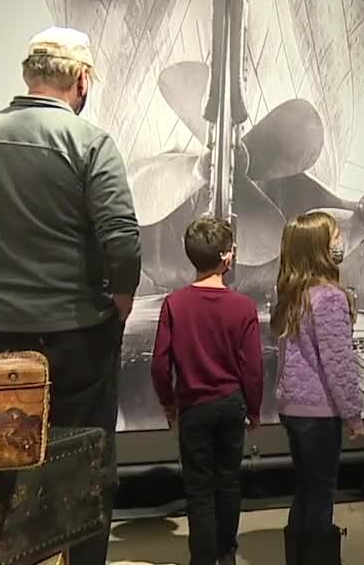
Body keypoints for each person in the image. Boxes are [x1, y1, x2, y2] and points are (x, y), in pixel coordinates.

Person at [0, 26, 141, 565]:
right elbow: (121, 239)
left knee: (4, 469)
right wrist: (120, 302)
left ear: (29, 74)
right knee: (85, 470)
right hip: (78, 338)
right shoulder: (90, 143)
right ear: (81, 79)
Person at [150, 216, 263, 565]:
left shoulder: (174, 304)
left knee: (198, 488)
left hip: (193, 407)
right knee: (228, 481)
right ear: (227, 258)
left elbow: (159, 364)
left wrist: (169, 404)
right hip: (231, 405)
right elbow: (254, 369)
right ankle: (227, 552)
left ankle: (202, 558)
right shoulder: (243, 307)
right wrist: (254, 410)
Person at [273, 212, 364, 565]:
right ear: (320, 249)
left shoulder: (290, 295)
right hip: (319, 413)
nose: (340, 243)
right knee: (321, 494)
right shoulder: (329, 298)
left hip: (293, 410)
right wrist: (353, 415)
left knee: (305, 491)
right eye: (336, 236)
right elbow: (338, 364)